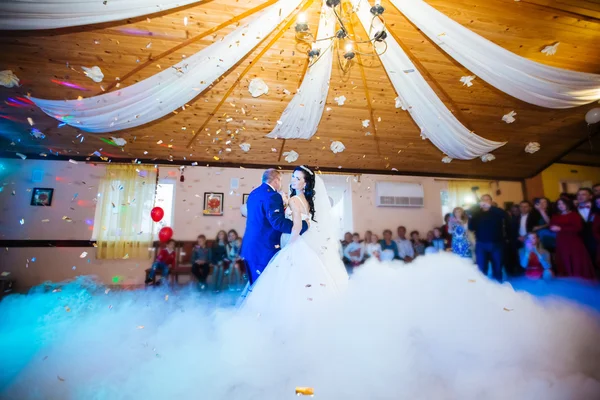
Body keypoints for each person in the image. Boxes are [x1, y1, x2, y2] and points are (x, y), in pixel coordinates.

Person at [241, 165, 348, 321]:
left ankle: (275, 318)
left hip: (291, 242)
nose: (293, 180)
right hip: (299, 243)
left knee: (281, 284)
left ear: (305, 183)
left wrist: (290, 245)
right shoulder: (306, 201)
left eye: (298, 178)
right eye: (293, 177)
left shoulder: (288, 198)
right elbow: (294, 220)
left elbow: (295, 226)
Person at [240, 168, 308, 286]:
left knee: (255, 286)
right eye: (280, 181)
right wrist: (303, 225)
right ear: (276, 180)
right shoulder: (273, 196)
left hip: (250, 247)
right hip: (264, 249)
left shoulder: (253, 193)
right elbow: (278, 223)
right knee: (264, 286)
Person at [550, 198, 595, 280]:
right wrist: (553, 228)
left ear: (568, 204)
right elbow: (551, 226)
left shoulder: (574, 214)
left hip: (573, 240)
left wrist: (561, 228)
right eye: (559, 204)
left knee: (576, 260)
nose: (561, 206)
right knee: (564, 259)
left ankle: (580, 280)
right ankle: (568, 280)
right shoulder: (555, 216)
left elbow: (578, 228)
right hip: (561, 241)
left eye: (563, 203)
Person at [469, 195, 509, 282]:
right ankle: (483, 289)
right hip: (481, 244)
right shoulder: (476, 214)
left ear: (491, 201)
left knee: (498, 267)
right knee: (481, 268)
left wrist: (491, 207)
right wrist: (471, 216)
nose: (485, 201)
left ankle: (498, 287)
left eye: (487, 199)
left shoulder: (497, 212)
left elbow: (506, 216)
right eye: (483, 200)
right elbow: (471, 227)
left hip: (497, 243)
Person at [577, 188, 596, 267]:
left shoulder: (597, 207)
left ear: (591, 196)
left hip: (596, 238)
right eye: (578, 194)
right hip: (580, 238)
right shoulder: (573, 209)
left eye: (583, 194)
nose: (580, 196)